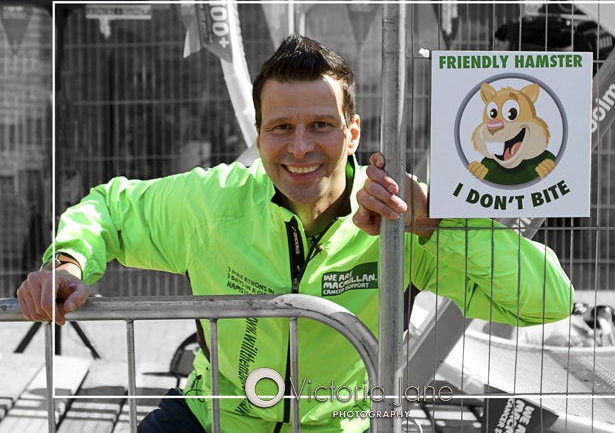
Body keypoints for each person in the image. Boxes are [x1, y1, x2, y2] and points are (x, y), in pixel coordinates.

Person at [18, 35, 574, 433]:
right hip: (214, 417)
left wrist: (443, 225)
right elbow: (110, 209)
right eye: (281, 127)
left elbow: (548, 301)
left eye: (321, 126)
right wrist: (66, 263)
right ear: (259, 135)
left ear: (352, 133)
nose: (300, 148)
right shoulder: (214, 201)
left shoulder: (405, 213)